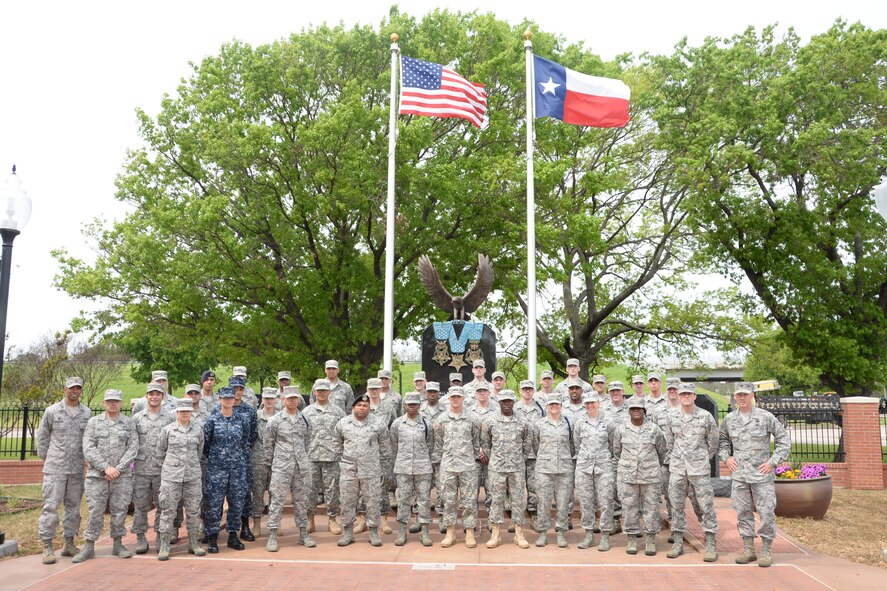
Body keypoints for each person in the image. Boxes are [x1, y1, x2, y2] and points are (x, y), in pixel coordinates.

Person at [719, 382, 790, 567]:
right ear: (735, 397)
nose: (742, 398)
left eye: (745, 394)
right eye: (739, 395)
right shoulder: (729, 420)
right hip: (740, 476)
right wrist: (727, 458)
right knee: (743, 512)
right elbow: (723, 441)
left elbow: (784, 441)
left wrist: (772, 462)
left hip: (761, 476)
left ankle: (766, 550)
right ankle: (748, 549)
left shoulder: (765, 417)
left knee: (766, 512)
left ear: (752, 395)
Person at [73, 389, 139, 563]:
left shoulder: (128, 423)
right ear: (103, 403)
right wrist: (105, 468)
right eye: (109, 401)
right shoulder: (94, 423)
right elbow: (88, 448)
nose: (113, 403)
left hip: (121, 476)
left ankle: (118, 544)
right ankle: (89, 546)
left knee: (119, 511)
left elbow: (133, 448)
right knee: (95, 511)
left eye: (116, 401)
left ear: (121, 403)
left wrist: (117, 468)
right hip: (97, 476)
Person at [36, 376, 92, 564]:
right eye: (71, 388)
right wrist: (49, 459)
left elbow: (88, 440)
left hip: (76, 468)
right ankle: (48, 546)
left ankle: (69, 543)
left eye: (78, 388)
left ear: (81, 390)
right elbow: (42, 438)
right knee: (51, 506)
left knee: (73, 508)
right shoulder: (52, 411)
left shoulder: (86, 413)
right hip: (55, 468)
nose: (74, 391)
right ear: (65, 389)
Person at [664, 383, 720, 561]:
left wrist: (702, 458)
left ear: (695, 396)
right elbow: (669, 442)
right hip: (678, 469)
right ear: (678, 397)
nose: (686, 397)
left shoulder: (705, 417)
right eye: (683, 394)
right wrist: (677, 459)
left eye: (689, 394)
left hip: (699, 470)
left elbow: (713, 443)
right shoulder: (671, 416)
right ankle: (678, 542)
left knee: (705, 506)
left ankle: (711, 543)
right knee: (676, 505)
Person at [335, 393, 392, 547]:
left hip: (371, 470)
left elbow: (385, 449)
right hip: (349, 470)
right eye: (359, 405)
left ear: (369, 408)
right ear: (353, 407)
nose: (362, 408)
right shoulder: (343, 424)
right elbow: (337, 446)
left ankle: (373, 532)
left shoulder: (378, 424)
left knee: (372, 501)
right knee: (347, 501)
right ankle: (348, 532)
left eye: (365, 405)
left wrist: (383, 469)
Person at [613, 397, 666, 557]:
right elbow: (616, 453)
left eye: (639, 408)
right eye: (633, 408)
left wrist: (651, 466)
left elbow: (662, 452)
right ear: (629, 411)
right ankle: (632, 539)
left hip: (650, 477)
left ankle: (650, 539)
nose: (636, 411)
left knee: (651, 509)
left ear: (644, 411)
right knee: (629, 508)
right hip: (627, 477)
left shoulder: (654, 429)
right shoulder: (621, 429)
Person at [265, 386, 314, 551]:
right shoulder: (275, 421)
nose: (292, 401)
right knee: (277, 501)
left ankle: (303, 534)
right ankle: (272, 535)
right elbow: (268, 445)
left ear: (299, 400)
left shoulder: (306, 420)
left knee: (301, 501)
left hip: (300, 467)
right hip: (281, 467)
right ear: (283, 400)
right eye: (289, 398)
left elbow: (308, 441)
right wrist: (276, 462)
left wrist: (302, 458)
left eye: (295, 398)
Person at [156, 398, 206, 560]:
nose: (185, 413)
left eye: (187, 411)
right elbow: (160, 453)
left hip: (192, 477)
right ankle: (164, 545)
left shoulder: (198, 430)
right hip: (171, 477)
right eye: (182, 411)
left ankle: (193, 543)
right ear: (177, 413)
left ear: (191, 412)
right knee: (168, 511)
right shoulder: (167, 430)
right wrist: (172, 467)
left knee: (193, 511)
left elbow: (199, 452)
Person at [202, 386, 251, 553]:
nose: (229, 400)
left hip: (237, 469)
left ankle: (232, 535)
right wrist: (218, 460)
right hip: (217, 470)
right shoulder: (212, 421)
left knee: (236, 504)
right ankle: (213, 537)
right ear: (219, 399)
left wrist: (239, 463)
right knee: (214, 505)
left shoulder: (242, 420)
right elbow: (206, 446)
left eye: (231, 398)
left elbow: (245, 443)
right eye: (225, 398)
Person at [433, 386, 483, 548]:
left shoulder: (473, 419)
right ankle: (450, 532)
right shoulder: (441, 420)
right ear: (448, 398)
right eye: (453, 396)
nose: (455, 399)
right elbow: (439, 445)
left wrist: (472, 459)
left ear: (463, 398)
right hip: (448, 466)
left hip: (468, 466)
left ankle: (469, 531)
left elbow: (476, 443)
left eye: (458, 397)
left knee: (469, 501)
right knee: (448, 500)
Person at [482, 389, 532, 549]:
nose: (506, 404)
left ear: (514, 402)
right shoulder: (490, 421)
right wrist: (496, 458)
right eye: (503, 401)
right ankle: (495, 534)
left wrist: (518, 459)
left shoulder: (523, 422)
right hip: (496, 467)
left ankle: (519, 533)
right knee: (496, 500)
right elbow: (486, 444)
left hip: (516, 467)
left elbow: (527, 445)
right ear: (499, 403)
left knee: (518, 500)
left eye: (509, 401)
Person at [131, 382, 176, 554]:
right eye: (151, 394)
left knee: (162, 505)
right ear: (146, 396)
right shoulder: (137, 419)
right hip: (141, 470)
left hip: (161, 470)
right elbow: (132, 443)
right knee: (141, 506)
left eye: (157, 394)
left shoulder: (170, 418)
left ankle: (160, 535)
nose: (154, 397)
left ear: (162, 397)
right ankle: (141, 537)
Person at [389, 391, 434, 546]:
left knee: (424, 500)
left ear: (419, 405)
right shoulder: (397, 424)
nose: (412, 407)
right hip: (403, 468)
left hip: (423, 468)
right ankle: (402, 532)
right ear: (405, 405)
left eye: (415, 404)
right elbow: (394, 446)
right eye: (409, 404)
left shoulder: (427, 424)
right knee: (403, 500)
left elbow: (430, 445)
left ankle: (425, 532)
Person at [573, 392, 616, 551]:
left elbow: (614, 445)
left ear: (598, 403)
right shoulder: (580, 422)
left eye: (593, 403)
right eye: (587, 403)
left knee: (605, 501)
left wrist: (605, 459)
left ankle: (605, 536)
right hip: (584, 467)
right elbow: (577, 444)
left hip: (604, 467)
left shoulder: (609, 422)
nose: (590, 406)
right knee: (586, 502)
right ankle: (589, 535)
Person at [302, 379, 346, 535]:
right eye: (318, 390)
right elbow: (302, 434)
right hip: (311, 456)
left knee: (332, 490)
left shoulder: (338, 412)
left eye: (324, 390)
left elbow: (344, 433)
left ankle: (332, 520)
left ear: (330, 392)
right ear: (314, 392)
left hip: (332, 456)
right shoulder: (306, 412)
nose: (321, 393)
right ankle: (310, 520)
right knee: (310, 489)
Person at [532, 394, 575, 548]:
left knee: (563, 503)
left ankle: (561, 533)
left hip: (564, 469)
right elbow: (535, 445)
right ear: (547, 406)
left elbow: (573, 445)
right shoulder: (539, 424)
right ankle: (543, 533)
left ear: (561, 405)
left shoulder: (569, 423)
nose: (554, 407)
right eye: (551, 404)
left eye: (556, 404)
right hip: (544, 469)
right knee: (543, 502)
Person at [249, 388, 278, 538]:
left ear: (276, 400)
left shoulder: (280, 417)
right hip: (258, 459)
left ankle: (274, 524)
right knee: (258, 493)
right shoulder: (255, 416)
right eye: (266, 398)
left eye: (271, 398)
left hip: (277, 460)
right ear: (262, 400)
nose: (269, 401)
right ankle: (257, 523)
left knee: (275, 493)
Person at [516, 380, 545, 515]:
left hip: (535, 453)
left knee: (533, 485)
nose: (527, 392)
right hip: (517, 454)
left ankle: (533, 513)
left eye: (530, 389)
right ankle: (516, 516)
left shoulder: (541, 408)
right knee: (517, 485)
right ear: (520, 391)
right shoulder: (514, 408)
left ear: (533, 391)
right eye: (524, 389)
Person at [420, 381, 447, 515]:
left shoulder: (445, 410)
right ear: (425, 393)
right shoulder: (419, 410)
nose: (432, 394)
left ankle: (442, 518)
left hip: (441, 455)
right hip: (422, 456)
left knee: (443, 488)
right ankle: (421, 519)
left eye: (434, 392)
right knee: (422, 490)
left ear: (438, 393)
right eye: (429, 391)